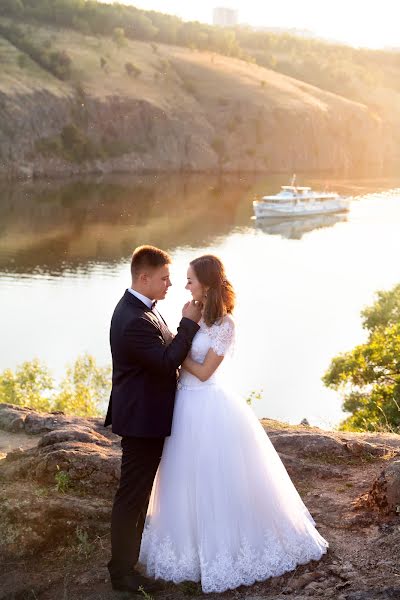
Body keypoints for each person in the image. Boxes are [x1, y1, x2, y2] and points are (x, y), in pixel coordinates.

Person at [139, 254, 329, 593]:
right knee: (182, 477)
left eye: (190, 280)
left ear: (207, 285)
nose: (185, 285)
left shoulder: (225, 324)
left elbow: (203, 371)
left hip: (209, 404)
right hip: (183, 404)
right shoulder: (191, 312)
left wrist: (176, 344)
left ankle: (229, 546)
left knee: (216, 477)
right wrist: (184, 329)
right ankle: (190, 549)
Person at [104, 245, 202, 594]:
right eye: (164, 278)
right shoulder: (133, 320)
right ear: (143, 278)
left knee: (138, 493)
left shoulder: (144, 309)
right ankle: (121, 573)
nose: (170, 284)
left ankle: (125, 565)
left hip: (147, 415)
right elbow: (165, 361)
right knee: (132, 495)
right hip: (141, 420)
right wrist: (189, 324)